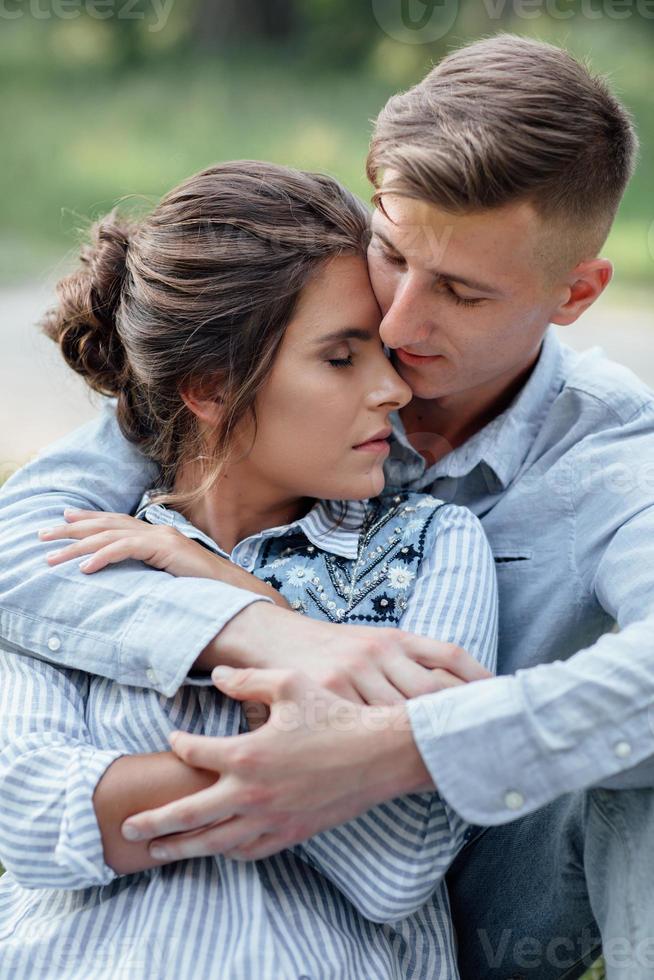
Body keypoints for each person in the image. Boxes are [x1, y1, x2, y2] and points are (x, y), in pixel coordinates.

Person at [0, 32, 650, 979]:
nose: (398, 326)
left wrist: (392, 752)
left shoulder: (610, 468)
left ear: (576, 293)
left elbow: (399, 859)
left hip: (472, 911)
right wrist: (269, 630)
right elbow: (26, 549)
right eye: (391, 253)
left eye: (462, 295)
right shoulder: (276, 334)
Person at [0, 161, 498, 979]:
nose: (392, 391)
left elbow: (403, 853)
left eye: (385, 354)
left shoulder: (433, 548)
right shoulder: (85, 553)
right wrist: (326, 763)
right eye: (341, 358)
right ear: (210, 387)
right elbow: (31, 819)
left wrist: (247, 607)